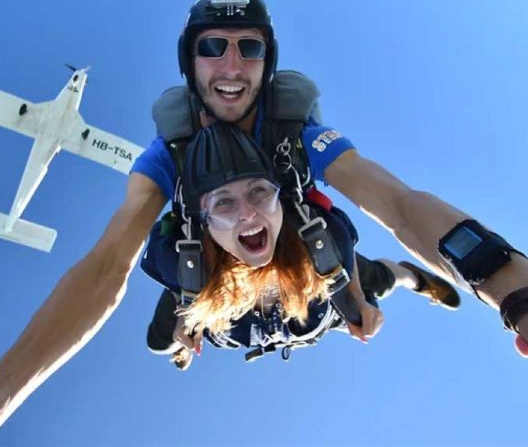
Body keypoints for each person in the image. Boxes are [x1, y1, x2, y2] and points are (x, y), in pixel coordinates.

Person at [0, 0, 528, 446]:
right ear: (189, 63)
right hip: (219, 295)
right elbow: (106, 266)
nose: (232, 66)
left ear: (269, 63)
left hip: (304, 271)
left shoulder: (298, 135)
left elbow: (395, 200)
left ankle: (407, 277)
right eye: (212, 47)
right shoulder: (168, 157)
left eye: (251, 49)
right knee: (166, 329)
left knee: (357, 282)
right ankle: (189, 335)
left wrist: (510, 287)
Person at [144, 122, 460, 370]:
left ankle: (413, 277)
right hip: (232, 314)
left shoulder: (321, 243)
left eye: (258, 192)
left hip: (317, 299)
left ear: (280, 199)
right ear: (205, 222)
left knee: (380, 279)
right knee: (160, 343)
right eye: (224, 203)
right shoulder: (182, 263)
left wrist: (359, 299)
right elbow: (172, 275)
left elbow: (343, 250)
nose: (247, 214)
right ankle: (183, 340)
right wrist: (187, 320)